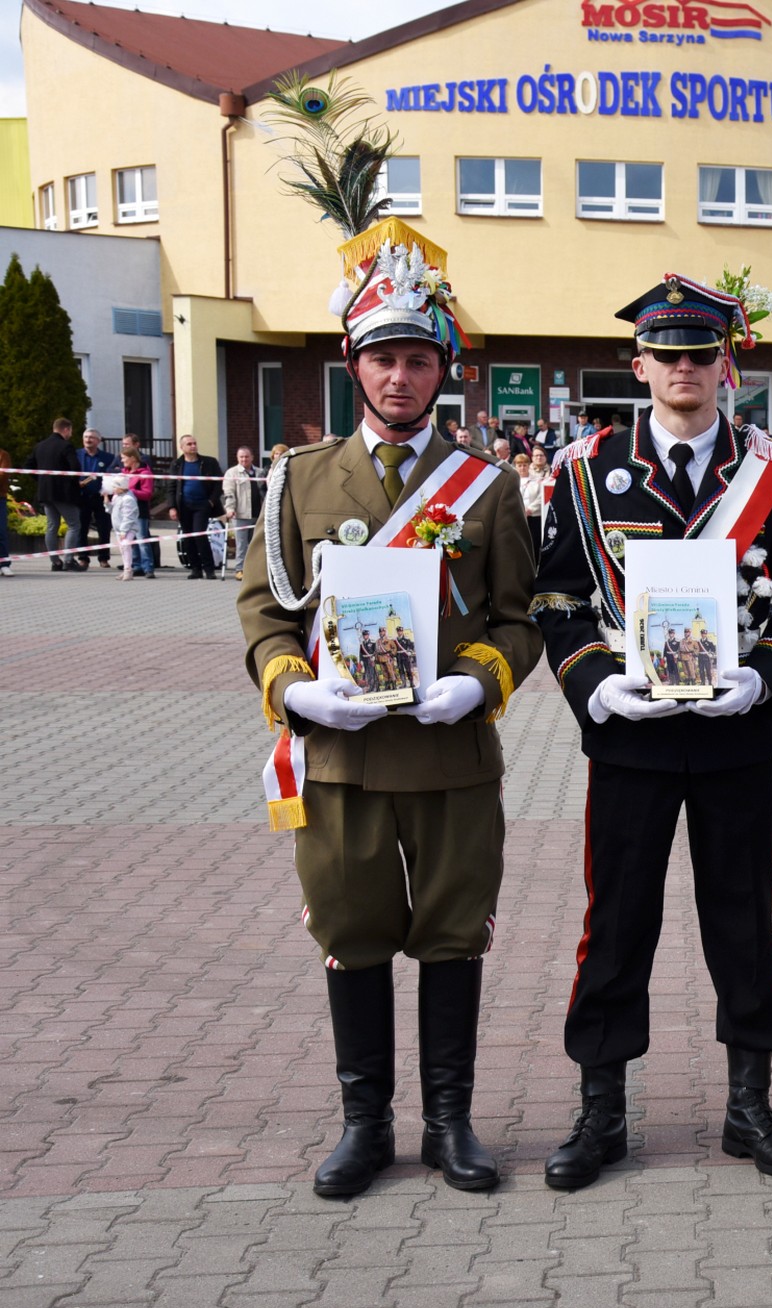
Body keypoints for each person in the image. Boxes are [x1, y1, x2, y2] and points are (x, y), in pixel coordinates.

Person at [236, 243, 541, 1198]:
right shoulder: (299, 479)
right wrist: (293, 688)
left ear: (442, 369)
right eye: (382, 358)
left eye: (417, 359)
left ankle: (449, 1123)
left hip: (451, 754)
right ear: (352, 363)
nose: (399, 376)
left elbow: (519, 618)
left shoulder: (486, 486)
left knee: (454, 933)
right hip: (342, 759)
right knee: (352, 929)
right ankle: (364, 1125)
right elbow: (264, 608)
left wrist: (480, 682)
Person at [531, 271, 772, 1189]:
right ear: (640, 366)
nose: (684, 370)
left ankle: (750, 1107)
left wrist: (764, 679)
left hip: (736, 736)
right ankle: (601, 1112)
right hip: (630, 740)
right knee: (616, 922)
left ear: (724, 365)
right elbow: (556, 598)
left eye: (701, 354)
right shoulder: (585, 470)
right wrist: (596, 685)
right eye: (667, 356)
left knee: (743, 919)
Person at [165, 435, 223, 580]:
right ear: (182, 447)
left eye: (194, 443)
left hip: (202, 505)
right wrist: (172, 507)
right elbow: (171, 487)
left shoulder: (209, 462)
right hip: (184, 505)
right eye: (189, 444)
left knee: (199, 534)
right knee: (188, 537)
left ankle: (209, 569)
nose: (193, 446)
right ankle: (195, 569)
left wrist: (211, 501)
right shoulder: (177, 464)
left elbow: (218, 483)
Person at [34, 417, 83, 571]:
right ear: (66, 429)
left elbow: (28, 466)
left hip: (45, 493)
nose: (71, 434)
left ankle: (55, 562)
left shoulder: (40, 446)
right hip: (63, 493)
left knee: (51, 526)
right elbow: (75, 468)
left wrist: (43, 481)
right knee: (74, 525)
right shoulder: (66, 445)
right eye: (70, 431)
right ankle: (69, 560)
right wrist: (73, 483)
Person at [221, 446, 264, 580]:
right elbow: (229, 493)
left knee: (256, 544)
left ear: (252, 457)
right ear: (237, 458)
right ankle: (240, 569)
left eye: (246, 456)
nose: (244, 459)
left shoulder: (260, 472)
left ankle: (254, 570)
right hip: (241, 514)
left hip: (258, 514)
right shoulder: (232, 473)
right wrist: (230, 509)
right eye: (241, 457)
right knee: (241, 544)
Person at [75, 428, 116, 567]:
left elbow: (112, 477)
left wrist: (107, 492)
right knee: (81, 528)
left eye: (91, 437)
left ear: (98, 440)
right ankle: (83, 558)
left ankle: (103, 558)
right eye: (86, 437)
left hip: (101, 497)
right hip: (82, 496)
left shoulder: (108, 457)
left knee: (104, 528)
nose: (88, 440)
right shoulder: (76, 455)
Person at [120, 438, 156, 579]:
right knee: (130, 539)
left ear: (133, 458)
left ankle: (148, 567)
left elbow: (147, 494)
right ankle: (136, 566)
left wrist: (129, 491)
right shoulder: (124, 473)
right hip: (126, 511)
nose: (122, 461)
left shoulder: (145, 473)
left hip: (140, 510)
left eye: (124, 458)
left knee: (142, 539)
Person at [104, 473, 141, 578]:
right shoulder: (116, 497)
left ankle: (128, 570)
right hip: (118, 528)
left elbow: (129, 517)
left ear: (122, 487)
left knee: (126, 547)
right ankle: (126, 568)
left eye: (115, 487)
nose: (113, 489)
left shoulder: (128, 499)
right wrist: (106, 502)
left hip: (128, 529)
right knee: (122, 549)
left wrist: (124, 531)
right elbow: (111, 510)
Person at [512, 451, 544, 519]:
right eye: (519, 466)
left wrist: (530, 509)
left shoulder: (538, 480)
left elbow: (541, 497)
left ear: (529, 465)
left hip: (534, 516)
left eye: (525, 465)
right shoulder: (511, 482)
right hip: (517, 515)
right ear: (515, 466)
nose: (522, 468)